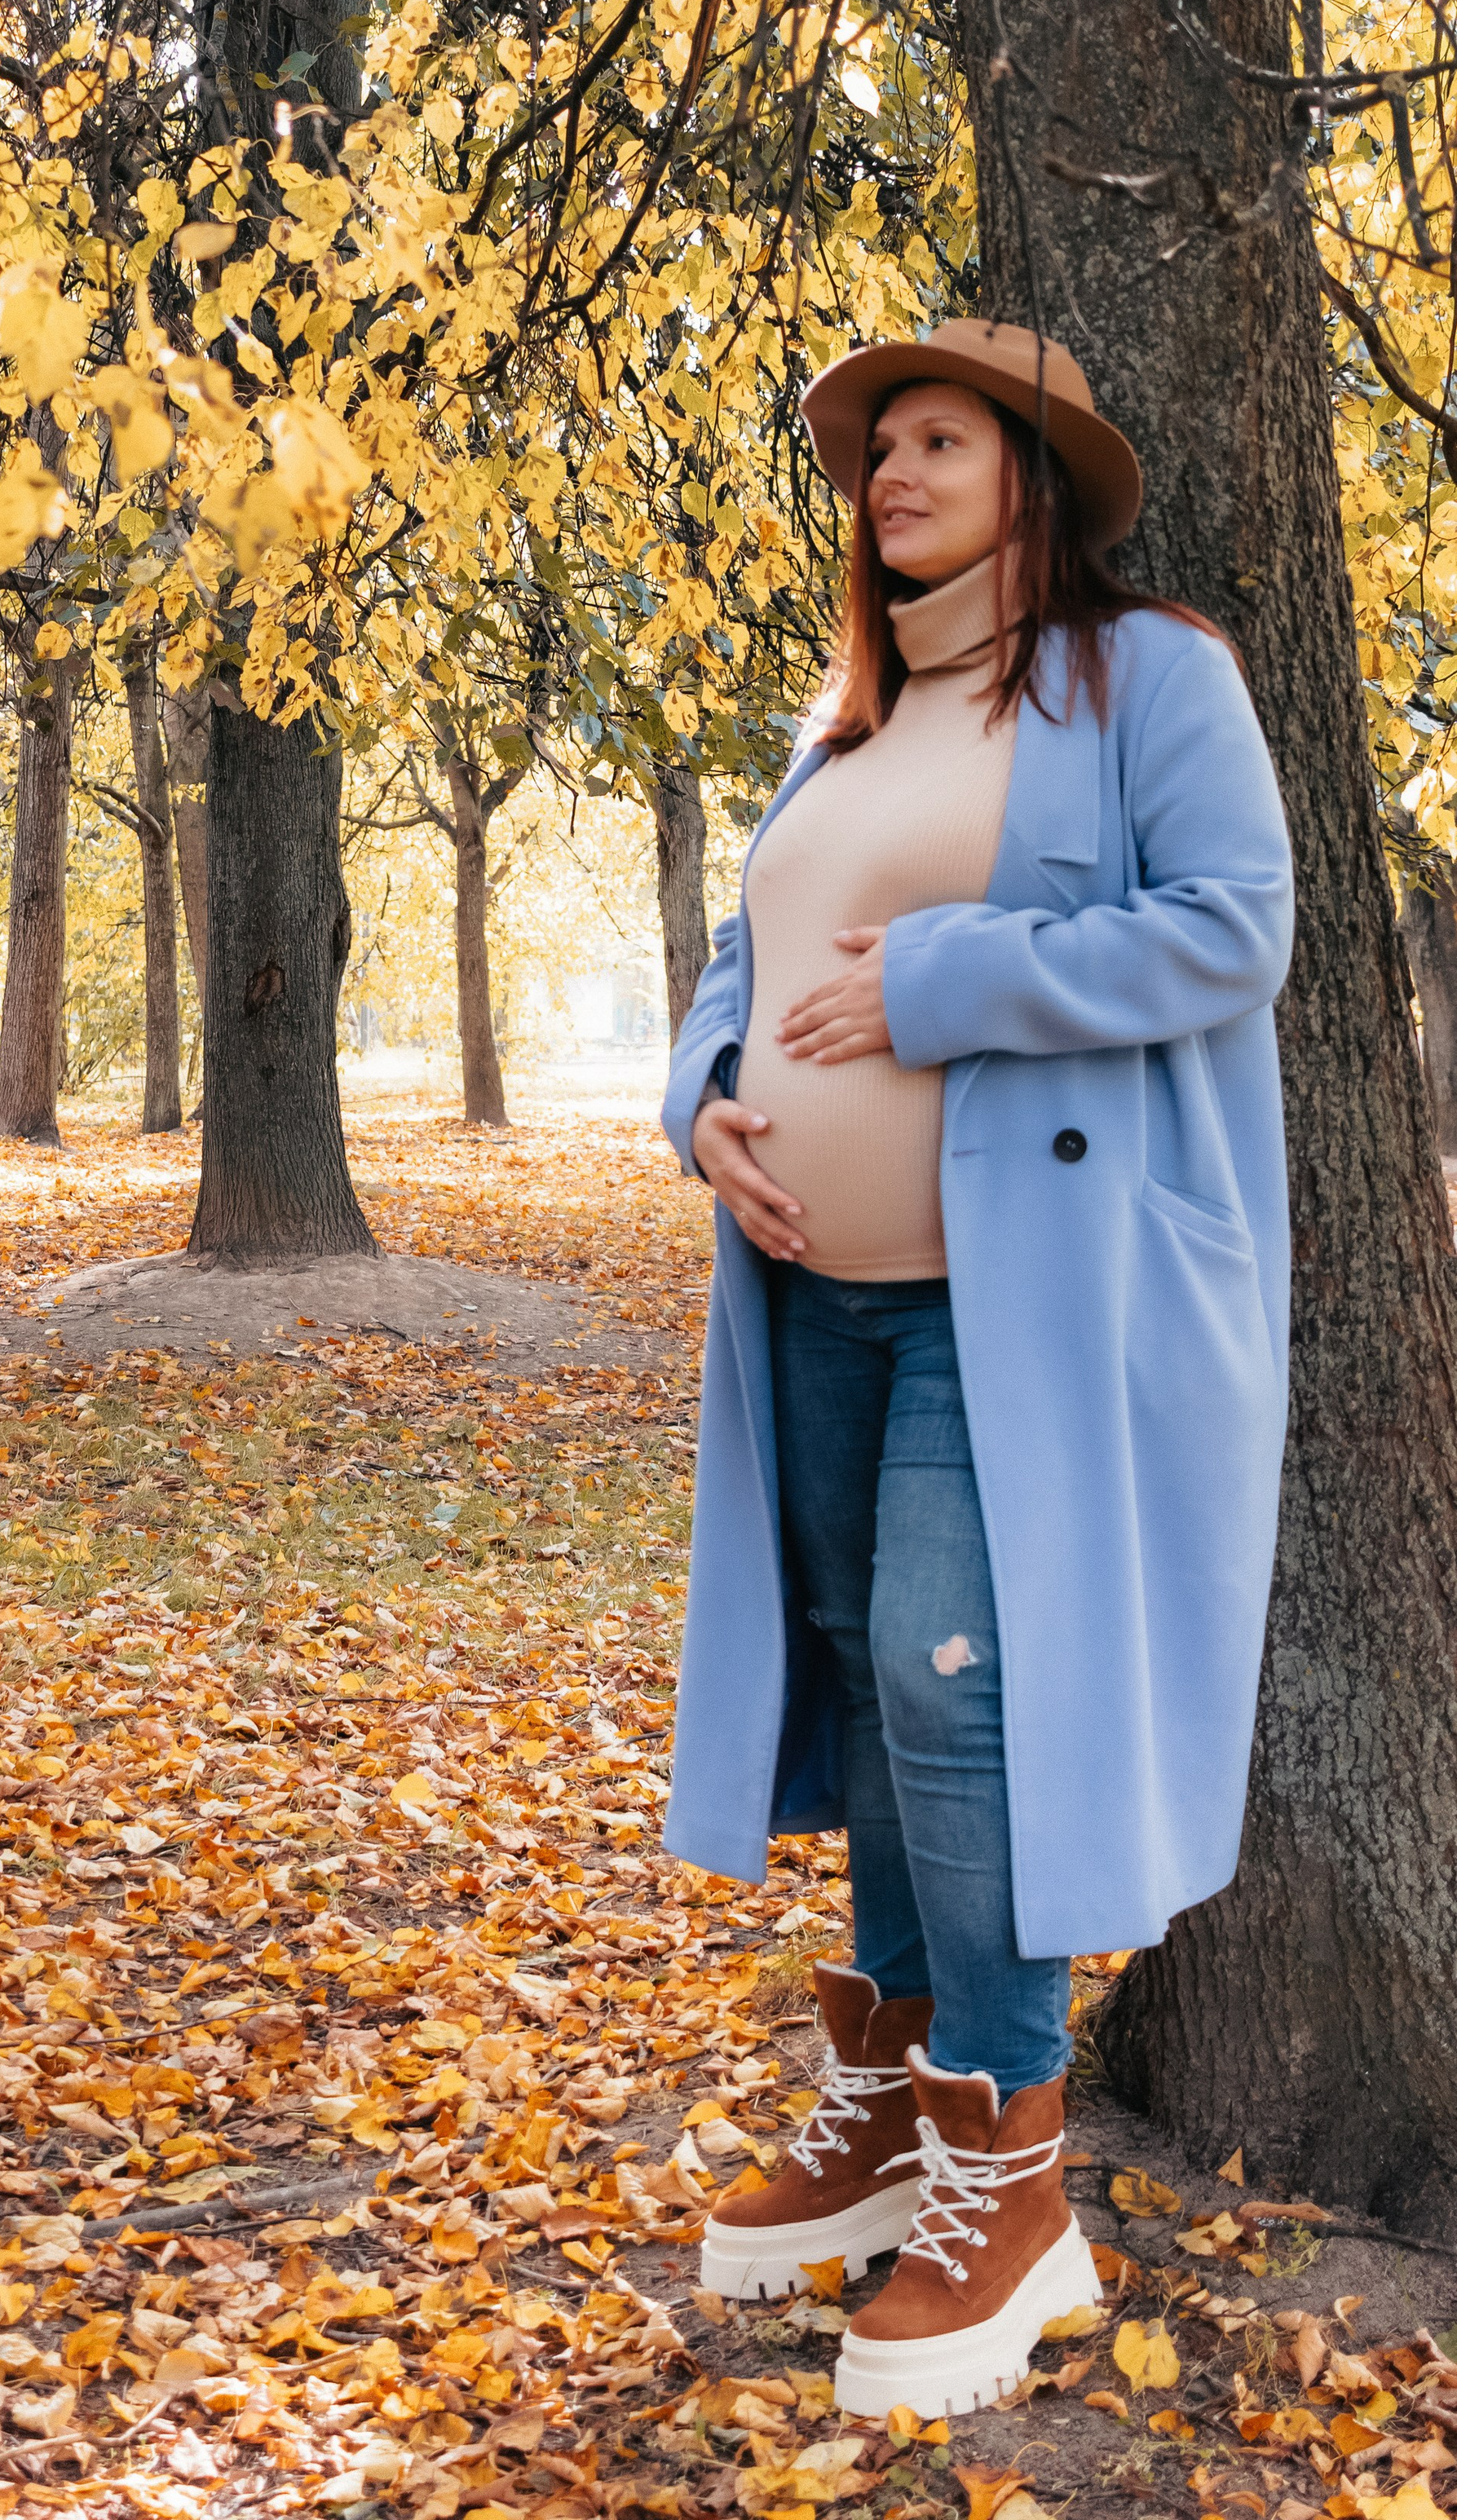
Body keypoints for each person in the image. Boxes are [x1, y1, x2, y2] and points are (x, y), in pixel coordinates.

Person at [660, 321, 1294, 2421]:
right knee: (856, 1675)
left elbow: (1232, 926)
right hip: (806, 1297)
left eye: (936, 440)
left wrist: (944, 982)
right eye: (875, 449)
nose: (891, 475)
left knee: (955, 1683)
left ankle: (1006, 2177)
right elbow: (743, 970)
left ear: (1032, 470)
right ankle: (888, 2119)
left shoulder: (1143, 683)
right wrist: (704, 1110)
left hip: (1015, 1303)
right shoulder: (842, 719)